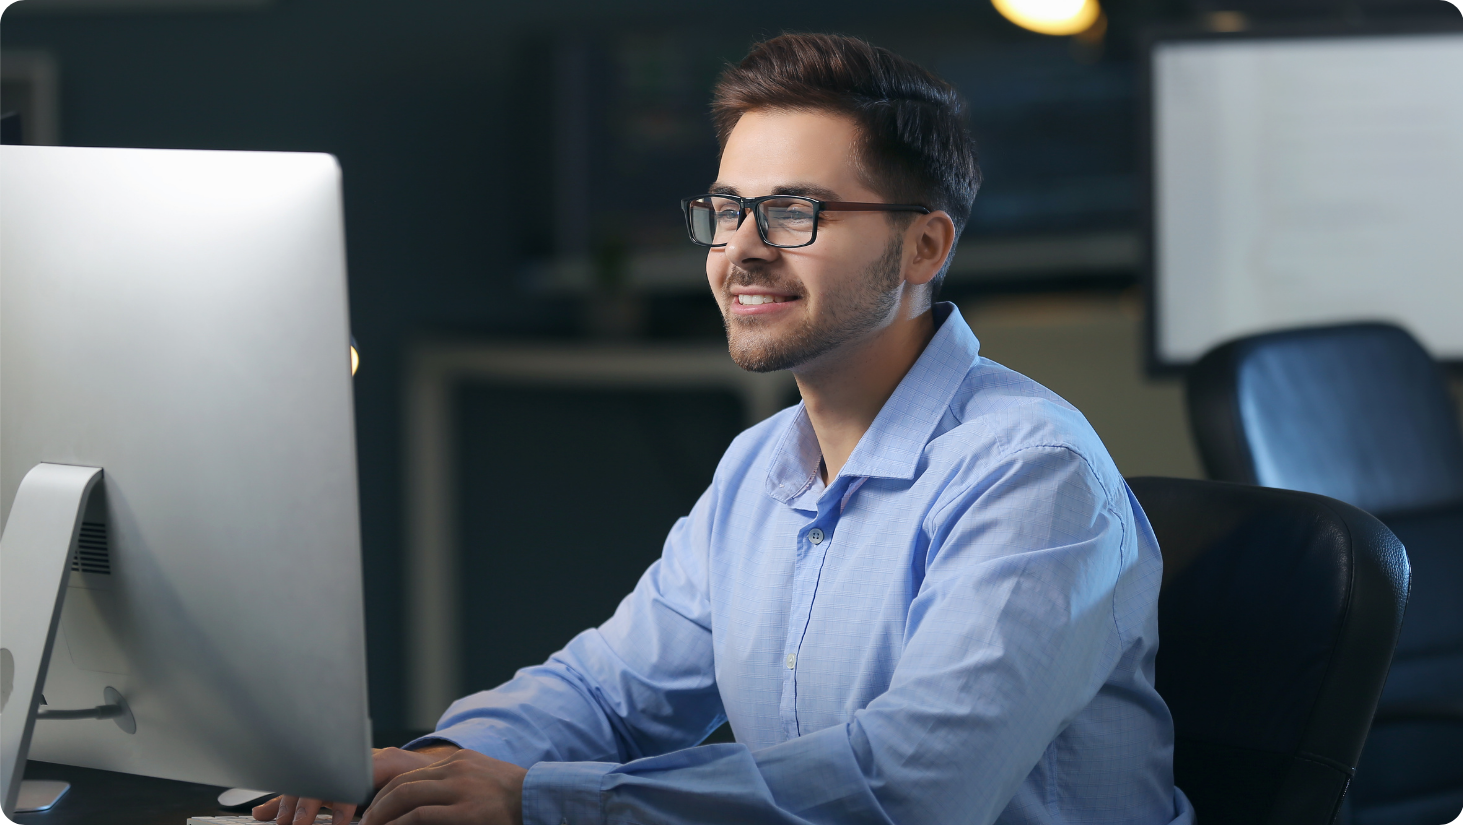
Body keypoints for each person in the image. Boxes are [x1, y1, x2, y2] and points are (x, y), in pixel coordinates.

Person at [255, 32, 1194, 825]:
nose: (740, 247)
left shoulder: (1032, 474)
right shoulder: (760, 466)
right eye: (726, 210)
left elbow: (916, 786)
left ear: (924, 245)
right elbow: (606, 692)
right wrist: (416, 770)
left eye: (793, 212)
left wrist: (538, 800)